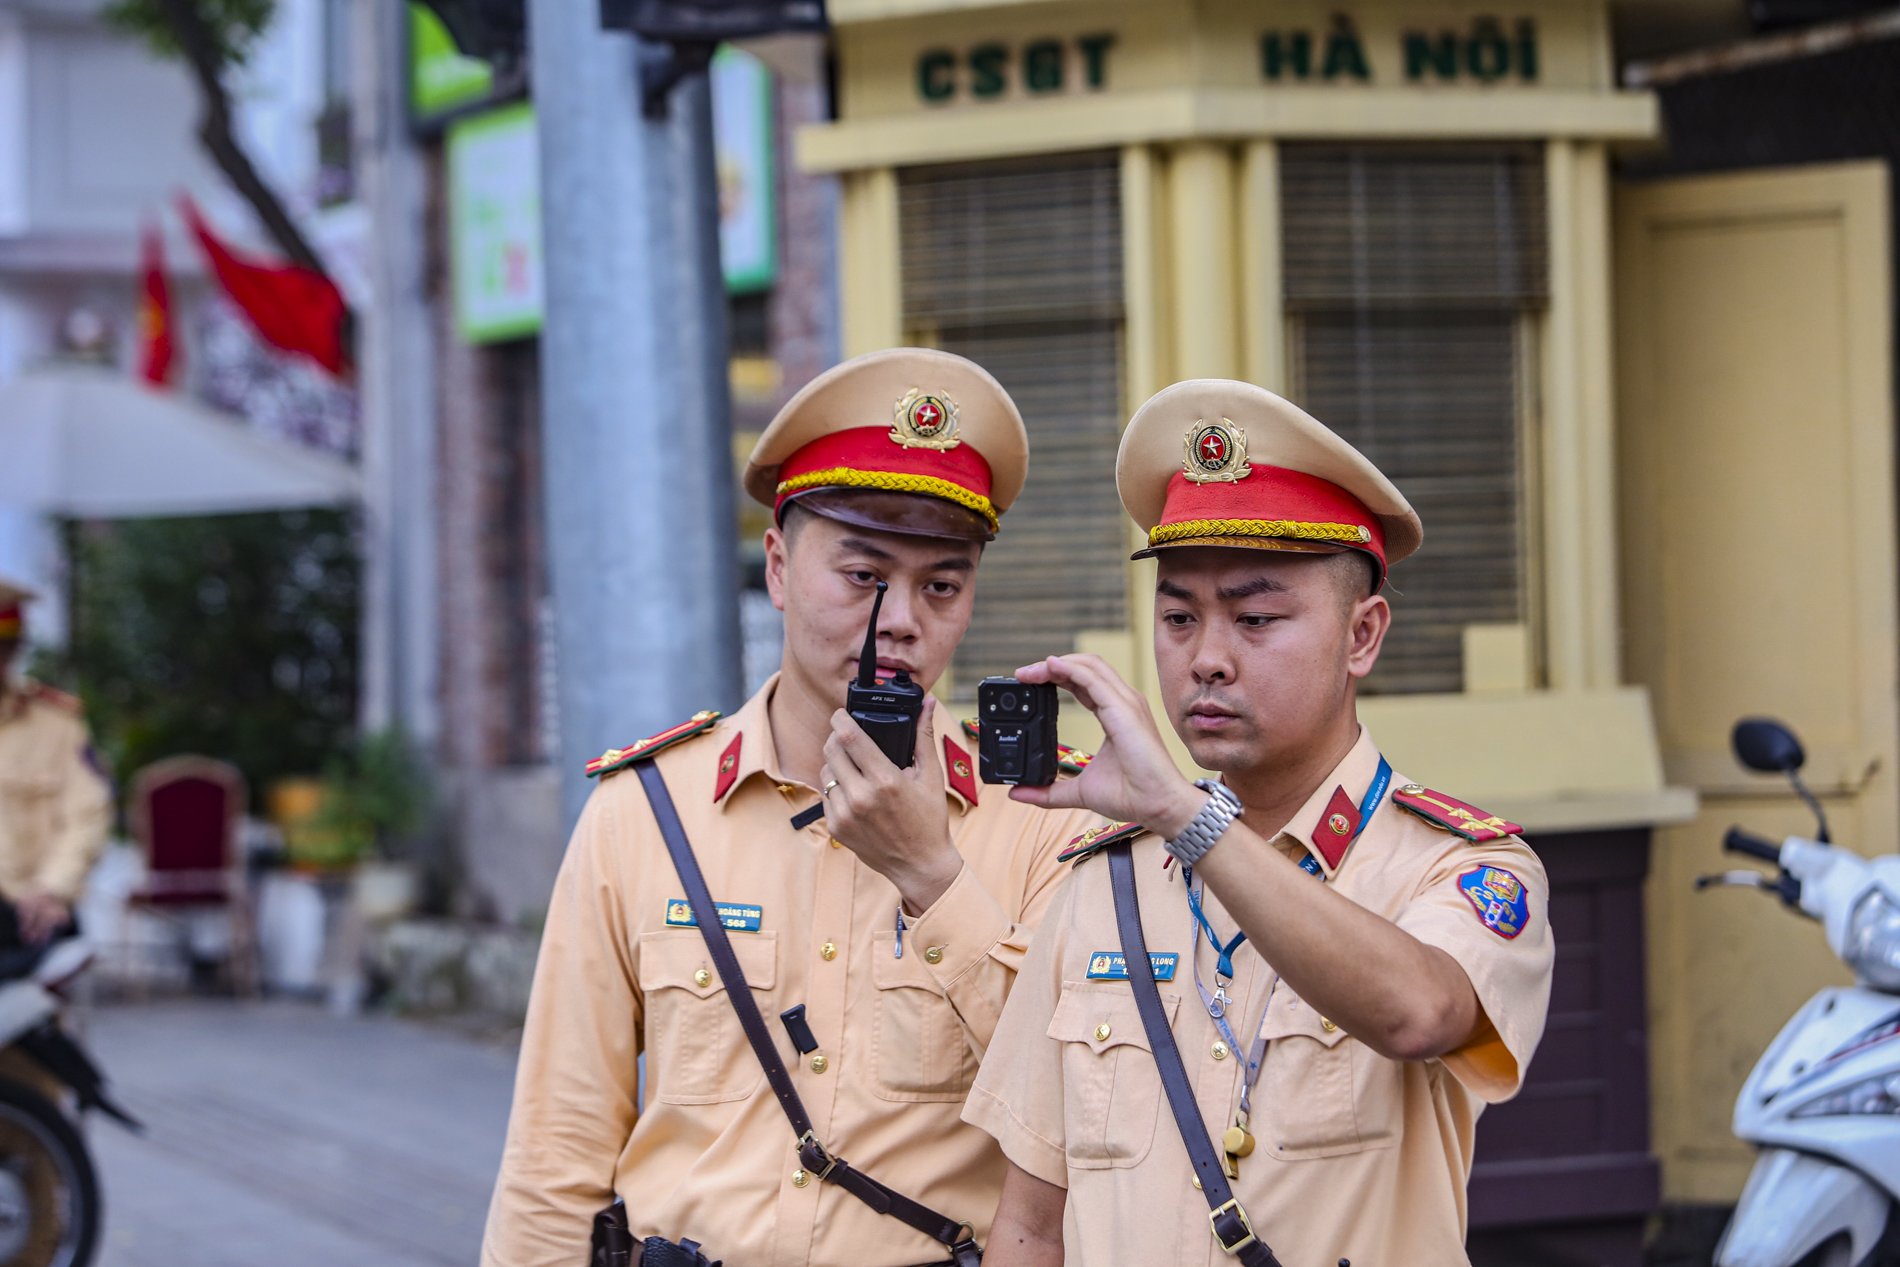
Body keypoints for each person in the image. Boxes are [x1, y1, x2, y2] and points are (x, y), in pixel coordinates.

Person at [483, 349, 1106, 1266]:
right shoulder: (645, 813)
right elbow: (555, 1153)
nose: (901, 619)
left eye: (943, 583)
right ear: (777, 567)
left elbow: (1089, 1112)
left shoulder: (1049, 822)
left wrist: (934, 879)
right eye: (863, 574)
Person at [964, 380, 1555, 1267]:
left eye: (1255, 617)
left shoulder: (1456, 866)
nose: (1206, 657)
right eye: (1177, 617)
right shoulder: (1105, 881)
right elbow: (1030, 1220)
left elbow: (1420, 1012)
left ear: (1363, 636)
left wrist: (1183, 815)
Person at [0, 577, 111, 961]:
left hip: (25, 913)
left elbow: (87, 814)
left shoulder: (56, 726)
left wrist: (52, 888)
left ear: (13, 649)